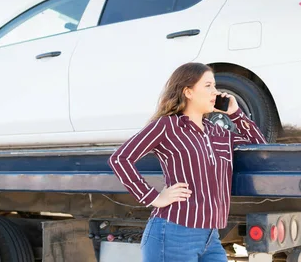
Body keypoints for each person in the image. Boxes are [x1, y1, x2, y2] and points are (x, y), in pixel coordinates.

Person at [108, 62, 268, 262]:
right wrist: (154, 198)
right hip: (174, 232)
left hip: (211, 236)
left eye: (215, 86)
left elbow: (261, 149)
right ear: (188, 92)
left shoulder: (218, 132)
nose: (215, 92)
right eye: (208, 85)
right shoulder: (167, 126)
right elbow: (120, 159)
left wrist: (235, 114)